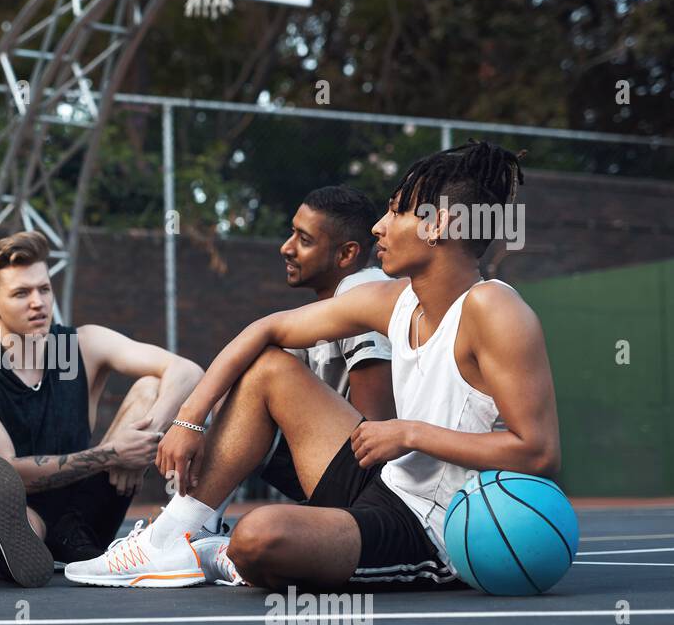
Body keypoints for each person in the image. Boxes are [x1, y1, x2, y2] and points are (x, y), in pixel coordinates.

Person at [65, 141, 560, 590]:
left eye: (395, 211)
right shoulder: (395, 301)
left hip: (439, 527)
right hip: (387, 480)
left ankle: (217, 554)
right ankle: (173, 537)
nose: (378, 227)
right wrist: (188, 419)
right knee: (270, 369)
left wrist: (409, 434)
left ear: (440, 225)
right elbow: (268, 330)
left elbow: (538, 453)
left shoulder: (494, 310)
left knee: (260, 535)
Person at [0, 231, 204, 576]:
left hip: (81, 512)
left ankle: (57, 541)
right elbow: (8, 473)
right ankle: (13, 547)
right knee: (18, 512)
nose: (38, 302)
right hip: (16, 502)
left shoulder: (84, 344)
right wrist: (113, 454)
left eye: (44, 289)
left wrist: (144, 440)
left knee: (151, 386)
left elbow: (187, 371)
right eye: (21, 293)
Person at [255, 185, 395, 505]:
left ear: (346, 254)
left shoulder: (362, 291)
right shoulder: (324, 308)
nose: (286, 248)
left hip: (370, 481)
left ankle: (190, 527)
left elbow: (373, 428)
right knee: (246, 384)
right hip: (343, 463)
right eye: (292, 233)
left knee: (264, 371)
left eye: (304, 241)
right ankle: (192, 528)